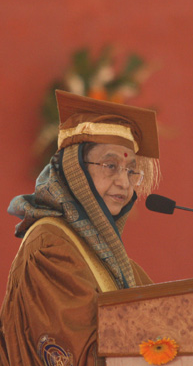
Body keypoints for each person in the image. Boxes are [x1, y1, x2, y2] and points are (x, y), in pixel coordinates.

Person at [0, 90, 161, 366]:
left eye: (131, 170)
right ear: (76, 169)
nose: (124, 182)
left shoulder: (121, 267)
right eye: (111, 165)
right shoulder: (50, 247)